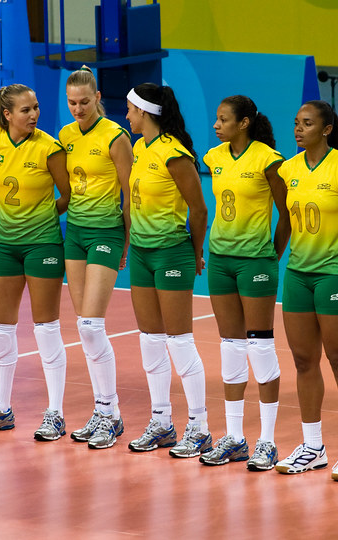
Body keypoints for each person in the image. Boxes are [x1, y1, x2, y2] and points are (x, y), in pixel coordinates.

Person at [273, 100, 338, 482]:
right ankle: (313, 447)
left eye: (307, 123)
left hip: (336, 275)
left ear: (327, 128)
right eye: (296, 123)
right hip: (298, 275)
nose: (299, 129)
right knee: (303, 361)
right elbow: (286, 220)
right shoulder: (289, 169)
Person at [0, 84, 71, 440]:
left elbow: (68, 194)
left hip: (42, 243)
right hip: (5, 246)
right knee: (0, 328)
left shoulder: (49, 147)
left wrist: (40, 215)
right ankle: (1, 406)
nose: (34, 115)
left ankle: (55, 412)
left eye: (36, 108)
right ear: (7, 114)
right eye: (25, 110)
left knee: (46, 329)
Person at [122, 83, 212, 458]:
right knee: (150, 339)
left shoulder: (175, 154)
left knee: (179, 340)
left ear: (144, 112)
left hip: (171, 253)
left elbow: (199, 209)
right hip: (142, 254)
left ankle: (200, 427)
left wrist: (195, 253)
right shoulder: (141, 148)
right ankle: (161, 422)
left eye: (130, 110)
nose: (126, 116)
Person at [199, 95, 289, 470]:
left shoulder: (270, 160)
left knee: (260, 346)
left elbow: (287, 214)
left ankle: (267, 441)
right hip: (220, 261)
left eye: (223, 120)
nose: (216, 125)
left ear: (245, 123)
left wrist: (272, 255)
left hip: (256, 262)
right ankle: (234, 437)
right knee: (231, 347)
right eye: (217, 119)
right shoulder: (214, 157)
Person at [58, 66, 131, 449]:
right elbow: (67, 189)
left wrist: (127, 238)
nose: (78, 109)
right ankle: (107, 413)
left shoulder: (116, 136)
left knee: (91, 325)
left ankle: (108, 410)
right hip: (76, 233)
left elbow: (129, 190)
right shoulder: (66, 135)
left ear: (98, 96)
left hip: (106, 231)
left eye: (85, 102)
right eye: (72, 103)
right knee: (84, 328)